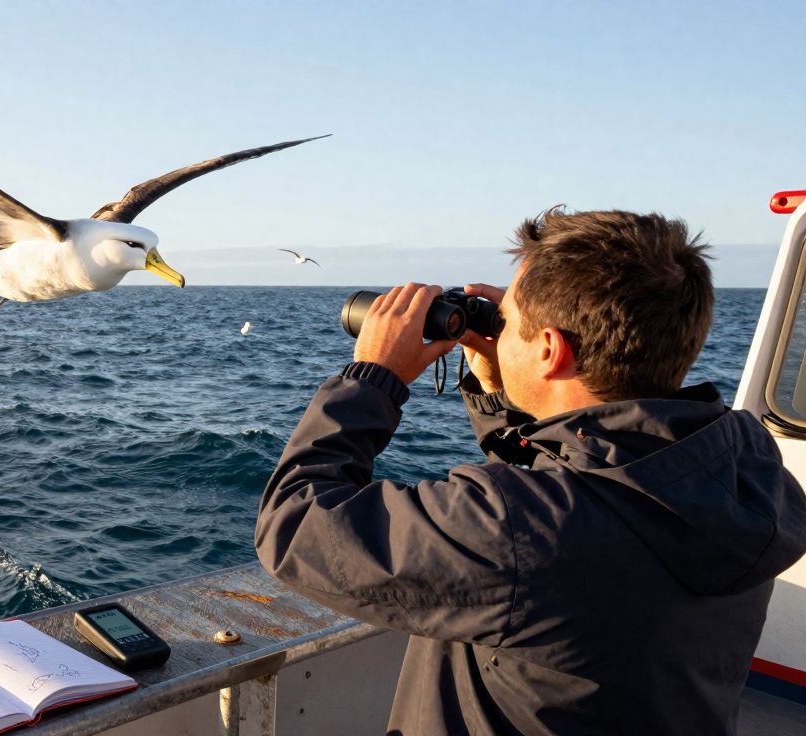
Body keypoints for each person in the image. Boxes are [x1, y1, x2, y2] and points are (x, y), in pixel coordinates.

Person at [254, 207, 806, 735]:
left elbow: (295, 526)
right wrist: (502, 394)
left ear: (549, 349)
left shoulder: (516, 527)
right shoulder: (745, 464)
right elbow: (573, 496)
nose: (498, 326)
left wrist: (371, 378)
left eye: (509, 319)